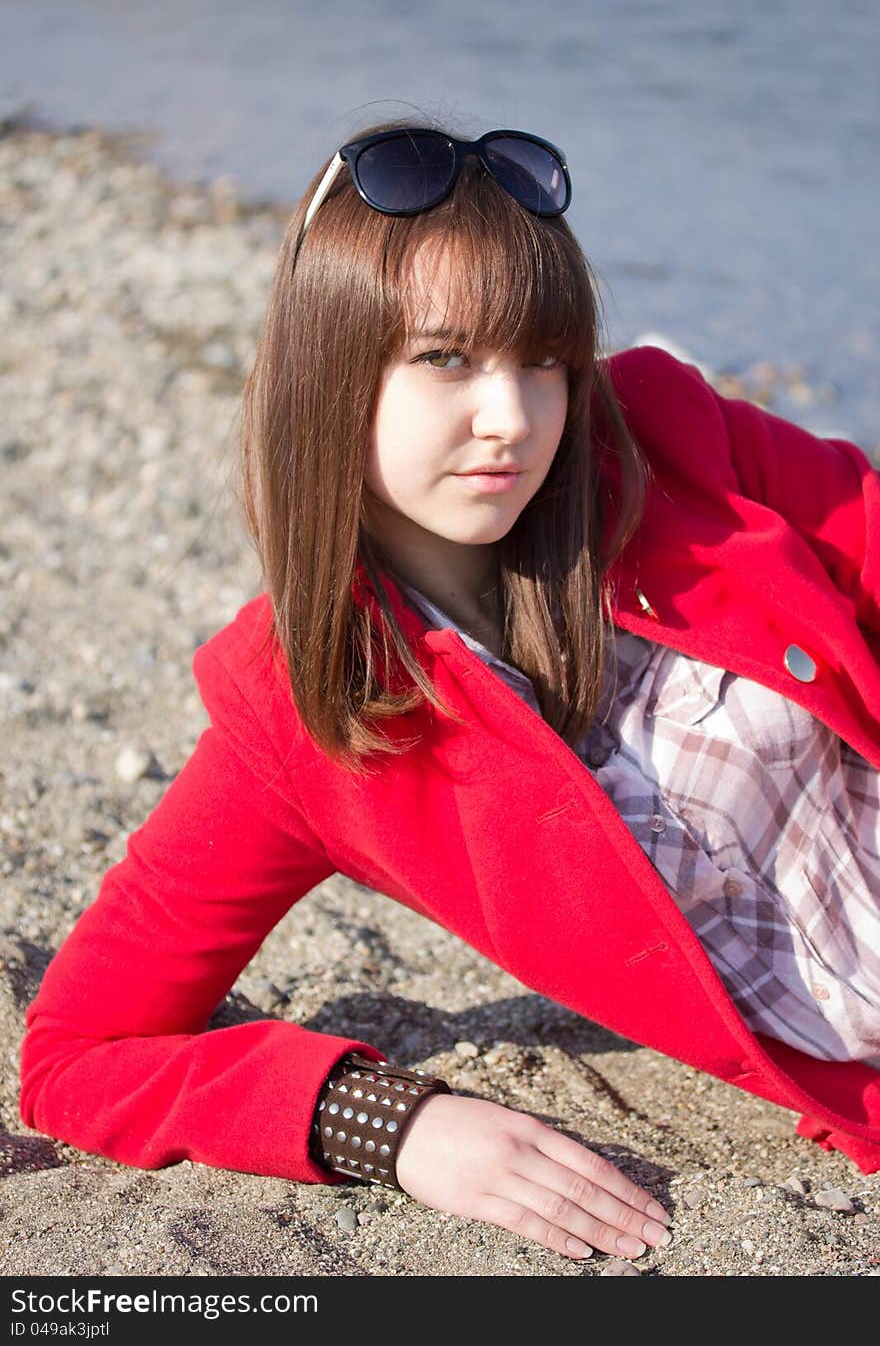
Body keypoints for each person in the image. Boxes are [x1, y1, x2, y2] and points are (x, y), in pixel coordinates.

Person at [19, 119, 880, 1267]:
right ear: (331, 373)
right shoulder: (307, 714)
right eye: (445, 358)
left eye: (542, 360)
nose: (513, 419)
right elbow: (77, 1051)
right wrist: (397, 1125)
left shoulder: (676, 443)